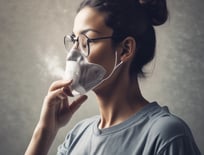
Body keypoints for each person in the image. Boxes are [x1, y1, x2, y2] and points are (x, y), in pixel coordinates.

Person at [25, 0, 201, 155]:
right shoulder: (78, 135)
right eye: (74, 40)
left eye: (86, 41)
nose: (72, 54)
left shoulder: (166, 135)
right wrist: (45, 131)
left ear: (126, 49)